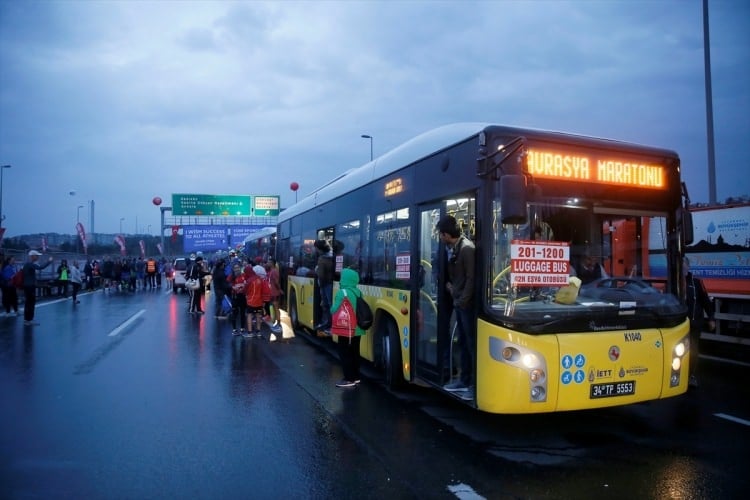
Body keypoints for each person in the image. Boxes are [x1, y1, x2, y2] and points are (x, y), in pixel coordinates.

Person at [437, 215, 476, 401]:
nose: (440, 238)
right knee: (462, 342)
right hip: (459, 301)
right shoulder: (454, 248)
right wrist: (451, 287)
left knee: (470, 344)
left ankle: (473, 384)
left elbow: (471, 279)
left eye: (441, 234)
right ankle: (464, 380)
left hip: (466, 305)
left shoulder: (467, 249)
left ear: (446, 234)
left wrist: (462, 300)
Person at [331, 267, 365, 388]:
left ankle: (348, 379)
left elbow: (333, 309)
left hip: (346, 329)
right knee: (355, 353)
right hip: (358, 329)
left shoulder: (342, 293)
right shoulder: (358, 292)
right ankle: (356, 377)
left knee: (345, 353)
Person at [683, 257, 715, 388]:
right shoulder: (673, 283)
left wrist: (711, 318)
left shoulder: (696, 283)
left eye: (684, 265)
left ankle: (691, 375)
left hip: (694, 323)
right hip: (678, 325)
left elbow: (706, 302)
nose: (683, 268)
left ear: (688, 267)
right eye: (680, 266)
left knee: (693, 351)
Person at [22, 250, 53, 326]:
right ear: (32, 256)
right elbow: (41, 267)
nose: (38, 257)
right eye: (37, 255)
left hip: (27, 286)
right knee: (31, 303)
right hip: (30, 286)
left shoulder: (26, 264)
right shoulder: (30, 264)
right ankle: (29, 320)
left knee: (28, 303)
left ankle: (27, 319)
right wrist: (49, 261)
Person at [314, 239, 334, 335]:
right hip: (331, 283)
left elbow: (321, 275)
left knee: (326, 305)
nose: (316, 251)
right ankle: (327, 324)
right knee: (329, 305)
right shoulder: (332, 255)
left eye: (316, 249)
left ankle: (328, 324)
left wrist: (317, 270)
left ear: (320, 249)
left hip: (325, 285)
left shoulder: (322, 259)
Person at [228, 262, 248, 336]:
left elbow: (247, 283)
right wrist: (233, 287)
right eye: (235, 268)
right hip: (235, 297)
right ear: (233, 269)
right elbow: (228, 284)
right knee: (235, 313)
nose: (237, 269)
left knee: (243, 313)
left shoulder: (244, 275)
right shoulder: (231, 276)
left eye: (238, 267)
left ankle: (242, 328)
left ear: (240, 268)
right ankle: (234, 329)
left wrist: (244, 286)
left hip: (242, 296)